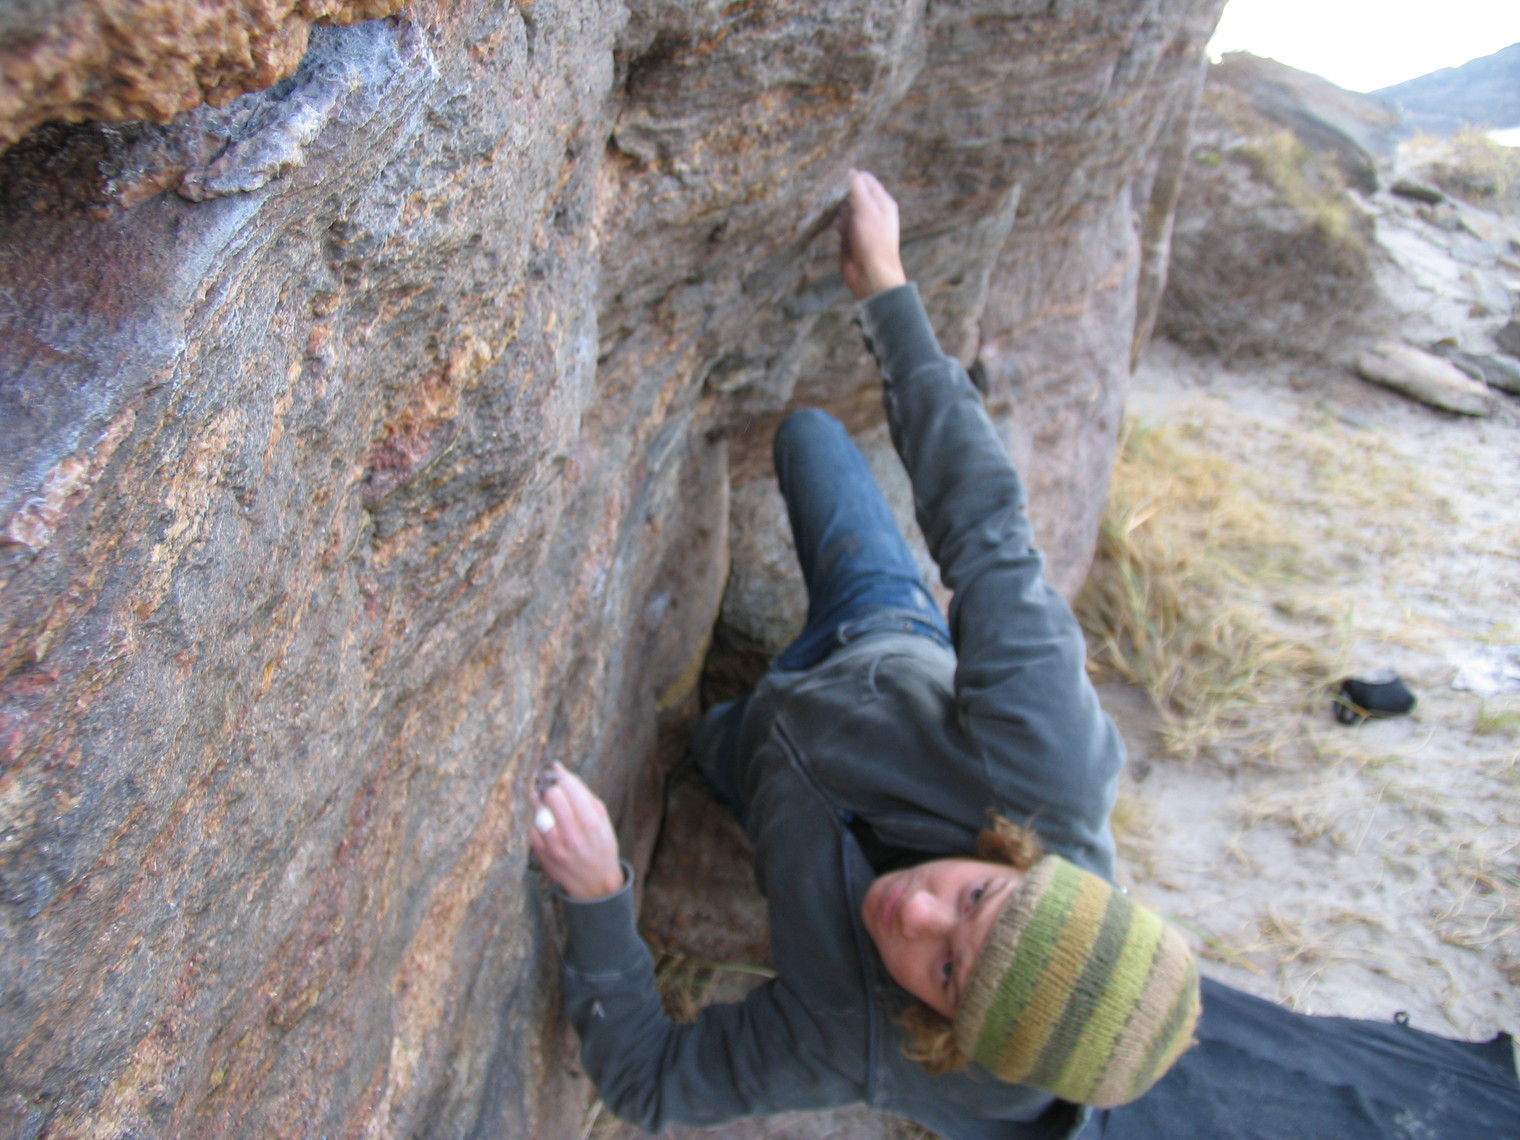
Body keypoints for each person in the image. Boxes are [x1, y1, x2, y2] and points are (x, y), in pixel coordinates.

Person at [528, 170, 1203, 1139]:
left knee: (698, 747)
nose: (916, 913)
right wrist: (888, 292)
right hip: (872, 634)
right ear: (1024, 864)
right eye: (975, 894)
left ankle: (726, 739)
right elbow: (987, 532)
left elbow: (648, 1082)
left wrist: (597, 896)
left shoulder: (862, 1036)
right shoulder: (1047, 763)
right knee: (808, 435)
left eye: (945, 972)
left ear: (945, 1033)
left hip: (763, 775)